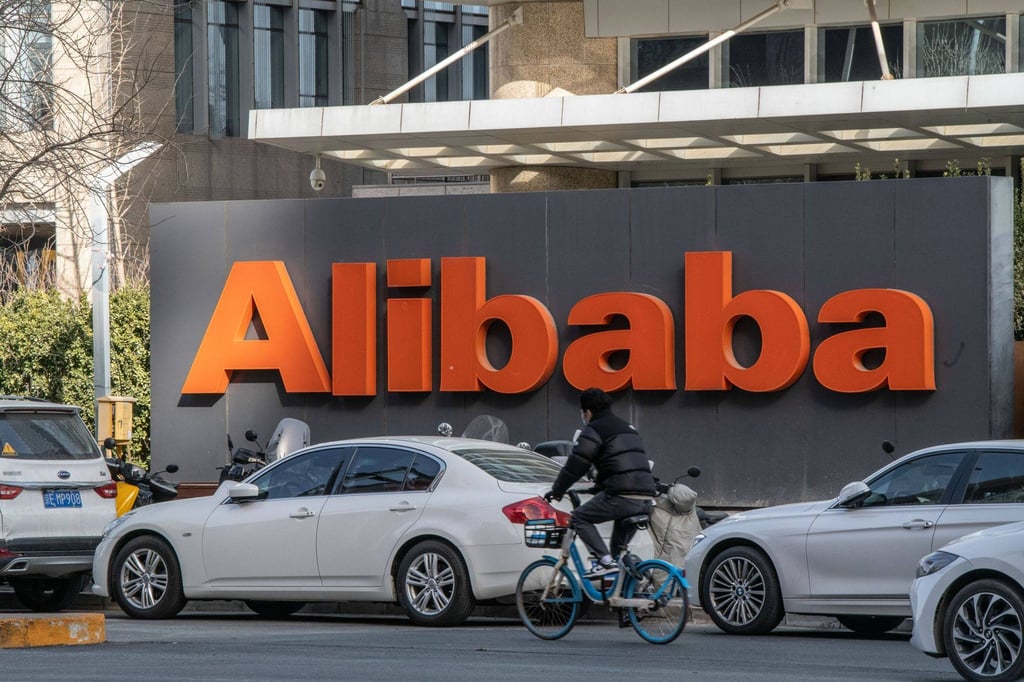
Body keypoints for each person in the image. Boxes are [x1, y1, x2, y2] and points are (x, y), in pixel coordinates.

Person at [544, 388, 657, 577]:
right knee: (617, 554)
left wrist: (557, 490)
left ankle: (603, 562)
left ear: (587, 412)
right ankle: (621, 597)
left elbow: (577, 464)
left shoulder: (594, 429)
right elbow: (618, 464)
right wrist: (599, 487)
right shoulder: (627, 428)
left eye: (583, 413)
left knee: (579, 518)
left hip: (622, 496)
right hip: (646, 498)